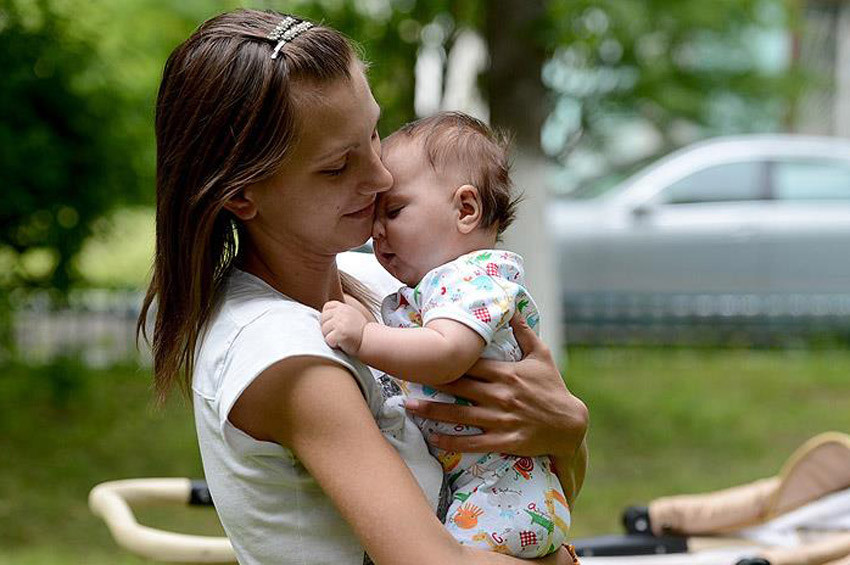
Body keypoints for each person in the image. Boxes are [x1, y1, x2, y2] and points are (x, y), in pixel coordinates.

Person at [138, 9, 588, 565]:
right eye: (335, 167)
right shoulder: (283, 354)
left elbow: (543, 478)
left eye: (373, 133)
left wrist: (567, 430)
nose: (379, 177)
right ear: (241, 196)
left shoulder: (389, 283)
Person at [321, 112, 570, 557]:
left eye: (393, 211)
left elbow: (446, 352)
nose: (377, 232)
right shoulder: (435, 287)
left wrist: (364, 339)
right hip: (485, 485)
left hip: (498, 495)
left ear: (466, 209)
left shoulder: (474, 280)